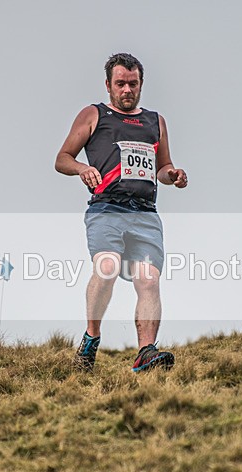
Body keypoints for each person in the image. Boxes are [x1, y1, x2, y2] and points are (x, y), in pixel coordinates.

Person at [55, 53, 188, 372]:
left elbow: (163, 166)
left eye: (133, 83)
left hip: (145, 213)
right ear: (108, 85)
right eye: (120, 84)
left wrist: (172, 175)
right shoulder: (93, 114)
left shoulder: (155, 121)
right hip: (107, 208)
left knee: (149, 280)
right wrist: (82, 168)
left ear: (141, 84)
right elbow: (62, 158)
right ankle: (91, 338)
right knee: (107, 267)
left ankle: (146, 353)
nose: (127, 89)